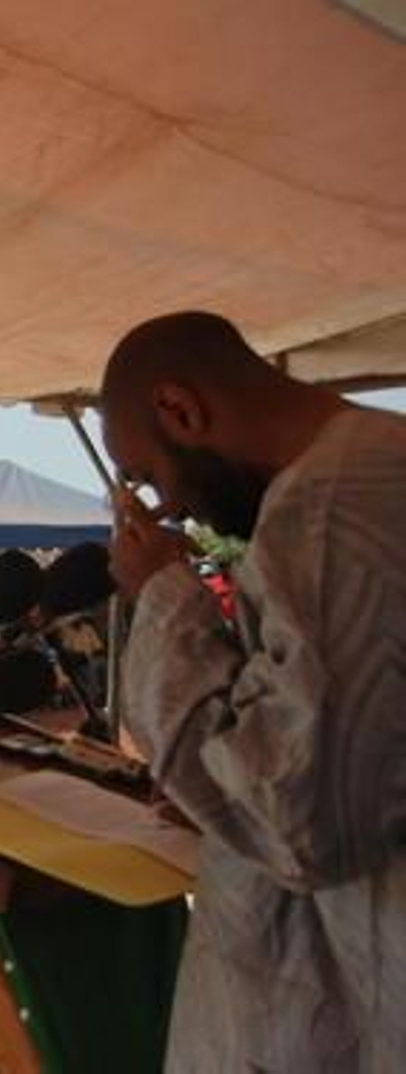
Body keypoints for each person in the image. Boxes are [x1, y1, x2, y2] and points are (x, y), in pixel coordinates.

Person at [100, 310, 406, 1070]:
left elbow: (302, 822)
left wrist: (166, 595)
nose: (163, 506)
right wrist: (220, 779)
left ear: (181, 410)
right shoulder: (374, 467)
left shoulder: (328, 511)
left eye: (145, 475)